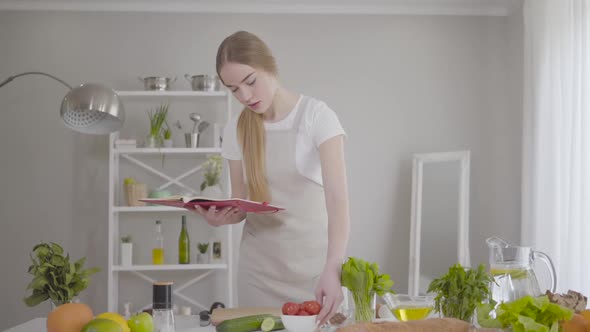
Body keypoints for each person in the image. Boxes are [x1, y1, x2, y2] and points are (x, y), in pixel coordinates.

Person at [192, 31, 350, 326]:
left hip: (314, 273)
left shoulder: (317, 116)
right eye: (234, 89)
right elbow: (241, 205)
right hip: (258, 274)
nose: (245, 96)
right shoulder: (236, 129)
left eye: (250, 82)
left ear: (270, 67)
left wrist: (334, 266)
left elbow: (337, 199)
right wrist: (221, 218)